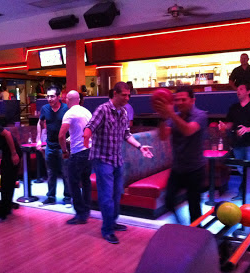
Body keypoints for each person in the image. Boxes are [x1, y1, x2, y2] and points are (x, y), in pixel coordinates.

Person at [84, 82, 153, 244]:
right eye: (124, 95)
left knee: (116, 194)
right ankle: (107, 229)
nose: (127, 98)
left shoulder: (123, 112)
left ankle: (112, 222)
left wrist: (140, 146)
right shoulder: (103, 110)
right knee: (106, 196)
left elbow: (126, 134)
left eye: (129, 95)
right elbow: (90, 126)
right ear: (115, 93)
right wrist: (86, 137)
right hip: (102, 160)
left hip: (117, 159)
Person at [154, 86, 208, 223]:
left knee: (194, 209)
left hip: (195, 170)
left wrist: (171, 114)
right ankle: (181, 226)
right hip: (177, 169)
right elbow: (162, 136)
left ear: (193, 100)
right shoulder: (174, 117)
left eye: (183, 99)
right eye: (177, 100)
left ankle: (197, 236)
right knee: (169, 201)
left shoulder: (200, 115)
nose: (179, 102)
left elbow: (188, 130)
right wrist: (162, 118)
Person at [219, 84, 250, 202]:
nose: (238, 91)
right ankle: (246, 192)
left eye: (241, 89)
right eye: (237, 89)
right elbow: (230, 123)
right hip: (238, 142)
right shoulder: (234, 107)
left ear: (248, 91)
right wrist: (225, 127)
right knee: (241, 169)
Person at [58, 90, 93, 224]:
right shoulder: (87, 112)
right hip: (89, 150)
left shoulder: (69, 113)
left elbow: (61, 136)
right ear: (79, 100)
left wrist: (64, 151)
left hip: (78, 152)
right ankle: (87, 210)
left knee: (72, 182)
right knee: (86, 181)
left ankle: (80, 214)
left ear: (68, 100)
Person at [36, 86, 71, 205]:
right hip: (50, 146)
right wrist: (39, 139)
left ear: (58, 97)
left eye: (52, 96)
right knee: (51, 173)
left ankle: (67, 198)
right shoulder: (45, 109)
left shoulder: (66, 108)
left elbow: (73, 123)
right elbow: (40, 123)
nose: (49, 99)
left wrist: (71, 137)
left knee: (66, 172)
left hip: (63, 146)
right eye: (48, 96)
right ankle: (51, 197)